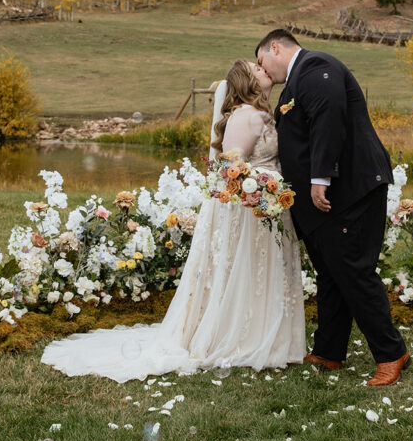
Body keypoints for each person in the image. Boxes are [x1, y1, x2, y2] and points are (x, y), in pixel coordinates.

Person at [41, 60, 305, 382]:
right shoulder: (244, 116)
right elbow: (230, 170)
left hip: (265, 208)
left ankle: (267, 336)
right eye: (257, 69)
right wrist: (262, 187)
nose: (265, 69)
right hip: (250, 210)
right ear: (248, 82)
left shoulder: (260, 112)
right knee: (247, 272)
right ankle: (243, 337)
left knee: (257, 273)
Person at [255, 29, 409, 386]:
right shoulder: (297, 80)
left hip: (348, 188)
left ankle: (391, 353)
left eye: (262, 61)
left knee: (353, 269)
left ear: (274, 47)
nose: (264, 70)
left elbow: (330, 117)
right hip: (325, 197)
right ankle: (329, 350)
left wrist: (320, 176)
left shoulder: (315, 66)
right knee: (330, 271)